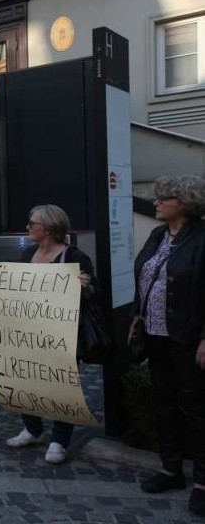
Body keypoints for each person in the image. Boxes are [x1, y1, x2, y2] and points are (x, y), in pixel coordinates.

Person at [0, 205, 100, 464]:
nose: (27, 227)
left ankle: (59, 440)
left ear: (47, 228)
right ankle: (32, 429)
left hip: (62, 335)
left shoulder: (74, 257)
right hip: (30, 332)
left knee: (61, 383)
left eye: (31, 223)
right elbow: (17, 289)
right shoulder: (28, 254)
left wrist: (86, 287)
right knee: (25, 378)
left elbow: (94, 293)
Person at [129, 175, 205, 517]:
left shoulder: (202, 238)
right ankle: (171, 470)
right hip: (155, 334)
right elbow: (146, 277)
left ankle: (202, 482)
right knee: (164, 404)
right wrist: (137, 315)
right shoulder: (158, 234)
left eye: (164, 197)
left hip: (188, 336)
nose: (156, 202)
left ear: (185, 202)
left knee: (196, 408)